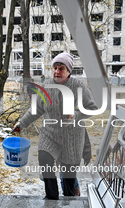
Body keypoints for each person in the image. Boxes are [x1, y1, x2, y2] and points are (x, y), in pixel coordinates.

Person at [14, 52, 97, 199]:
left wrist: (76, 114)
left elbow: (92, 107)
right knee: (44, 159)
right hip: (49, 135)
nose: (57, 72)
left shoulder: (78, 87)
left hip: (71, 138)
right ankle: (51, 198)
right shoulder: (46, 86)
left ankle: (71, 199)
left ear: (69, 71)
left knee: (68, 181)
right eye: (55, 68)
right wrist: (22, 123)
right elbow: (36, 109)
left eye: (61, 68)